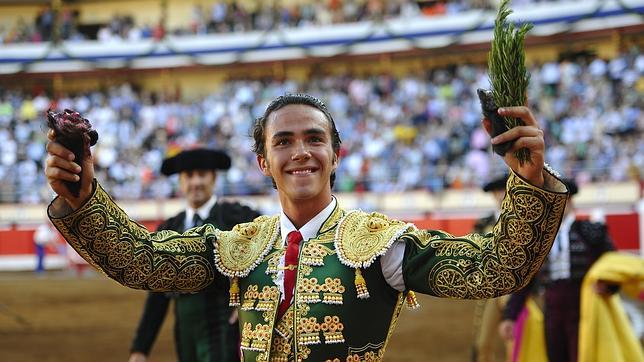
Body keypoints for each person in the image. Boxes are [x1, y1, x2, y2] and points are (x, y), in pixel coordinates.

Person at [44, 93, 569, 361]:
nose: (301, 152)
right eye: (283, 142)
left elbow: (493, 271)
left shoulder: (381, 242)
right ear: (262, 162)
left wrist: (530, 187)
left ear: (336, 155)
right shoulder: (237, 246)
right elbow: (144, 262)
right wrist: (84, 199)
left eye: (315, 139)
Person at [129, 148, 260, 362]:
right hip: (185, 330)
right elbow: (157, 294)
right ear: (180, 181)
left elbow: (266, 260)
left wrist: (249, 299)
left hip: (225, 326)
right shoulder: (169, 229)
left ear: (214, 178)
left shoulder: (239, 218)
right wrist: (140, 348)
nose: (196, 182)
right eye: (189, 176)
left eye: (202, 174)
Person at [499, 179, 616, 362]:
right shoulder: (538, 240)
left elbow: (612, 265)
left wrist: (609, 285)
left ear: (569, 200)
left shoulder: (590, 231)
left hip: (583, 305)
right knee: (555, 355)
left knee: (583, 355)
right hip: (552, 308)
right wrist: (510, 316)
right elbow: (525, 280)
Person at [471, 174, 511, 362]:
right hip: (490, 289)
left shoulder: (521, 220)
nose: (501, 195)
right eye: (498, 192)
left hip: (518, 289)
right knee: (483, 343)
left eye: (504, 191)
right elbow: (473, 254)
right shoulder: (484, 223)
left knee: (518, 338)